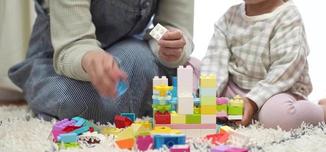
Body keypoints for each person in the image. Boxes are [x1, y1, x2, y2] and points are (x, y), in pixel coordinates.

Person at [8, 0, 194, 123]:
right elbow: (72, 43)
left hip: (127, 48)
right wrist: (90, 58)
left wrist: (170, 47)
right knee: (76, 101)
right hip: (61, 57)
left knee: (143, 65)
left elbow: (168, 27)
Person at [201, 0, 326, 130]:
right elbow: (215, 60)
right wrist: (209, 96)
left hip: (278, 91)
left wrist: (253, 101)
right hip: (235, 88)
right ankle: (233, 108)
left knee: (279, 117)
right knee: (190, 67)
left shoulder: (288, 16)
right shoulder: (229, 16)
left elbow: (285, 68)